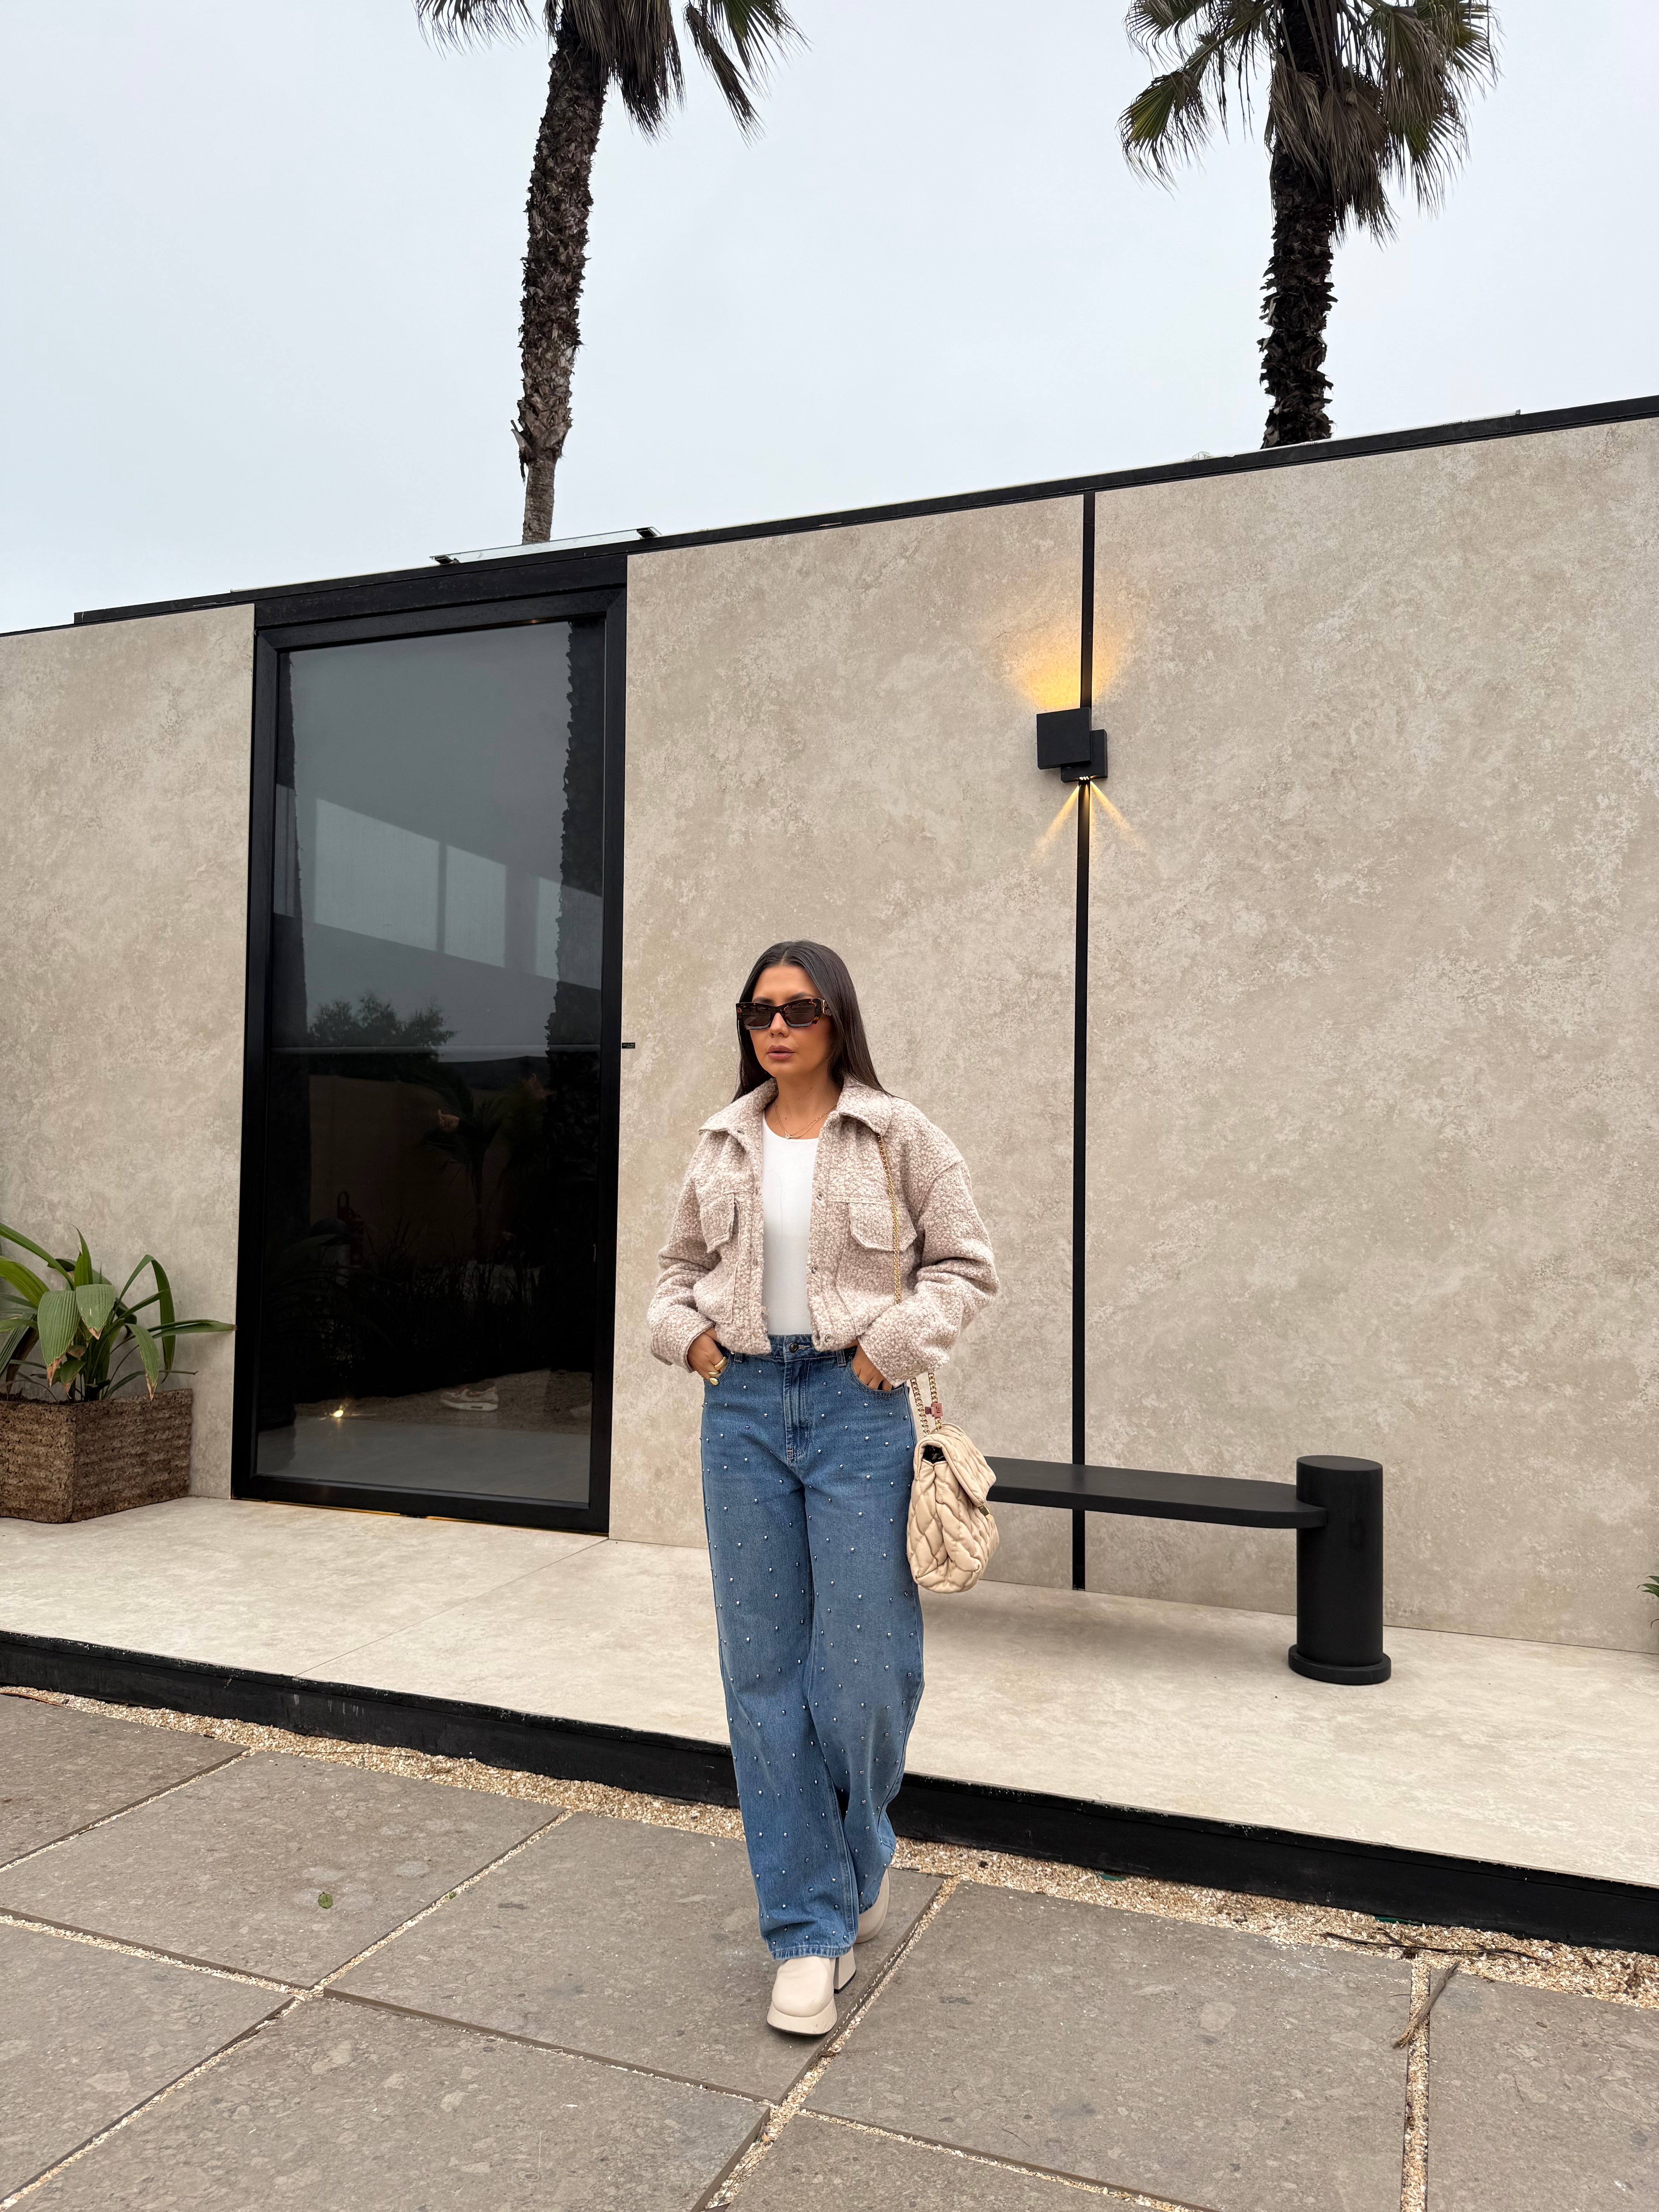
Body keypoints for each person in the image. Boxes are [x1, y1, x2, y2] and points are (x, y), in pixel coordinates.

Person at [647, 939, 998, 2036]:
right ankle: (806, 1927)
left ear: (837, 1018)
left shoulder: (899, 1135)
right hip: (743, 1410)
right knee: (761, 1671)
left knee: (862, 1669)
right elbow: (674, 1273)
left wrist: (882, 1355)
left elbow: (966, 1267)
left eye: (799, 1009)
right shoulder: (722, 1140)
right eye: (760, 1011)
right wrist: (690, 1342)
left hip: (857, 1409)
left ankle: (861, 1843)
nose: (777, 1027)